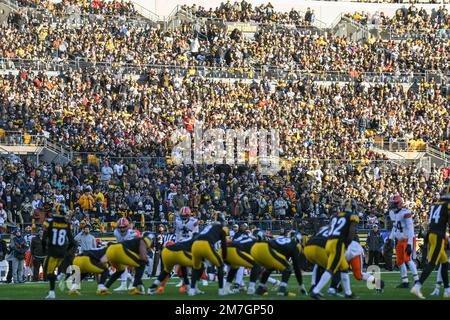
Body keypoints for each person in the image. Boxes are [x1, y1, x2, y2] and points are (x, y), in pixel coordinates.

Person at [310, 199, 359, 300]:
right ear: (353, 207)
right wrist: (346, 244)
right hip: (338, 243)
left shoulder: (336, 216)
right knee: (331, 269)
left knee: (344, 267)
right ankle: (315, 291)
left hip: (329, 242)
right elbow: (351, 233)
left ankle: (348, 293)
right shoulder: (353, 217)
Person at [411, 185, 450, 299]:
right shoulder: (447, 205)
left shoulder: (436, 204)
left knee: (444, 262)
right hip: (438, 235)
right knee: (432, 263)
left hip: (432, 234)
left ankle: (447, 290)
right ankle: (417, 286)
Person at [252, 230, 306, 297]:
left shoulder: (283, 239)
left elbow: (281, 258)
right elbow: (296, 267)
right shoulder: (296, 245)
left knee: (270, 267)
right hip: (266, 248)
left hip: (255, 248)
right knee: (288, 268)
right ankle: (282, 290)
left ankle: (259, 290)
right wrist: (301, 284)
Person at [188, 213, 228, 296]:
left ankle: (192, 290)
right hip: (206, 244)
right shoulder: (221, 229)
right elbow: (224, 245)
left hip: (195, 244)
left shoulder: (208, 226)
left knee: (197, 267)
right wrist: (224, 257)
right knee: (220, 265)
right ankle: (221, 290)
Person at [41, 210, 75, 299]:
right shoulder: (66, 224)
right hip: (62, 252)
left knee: (49, 273)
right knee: (57, 269)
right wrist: (66, 250)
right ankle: (62, 275)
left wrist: (44, 249)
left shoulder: (49, 222)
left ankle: (52, 292)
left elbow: (44, 239)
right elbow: (72, 242)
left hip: (52, 252)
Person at [388, 195, 419, 289]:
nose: (392, 205)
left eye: (394, 203)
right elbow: (395, 227)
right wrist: (390, 238)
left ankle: (417, 280)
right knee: (399, 261)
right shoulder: (392, 213)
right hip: (400, 240)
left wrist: (409, 244)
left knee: (408, 260)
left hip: (408, 238)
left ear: (399, 204)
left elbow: (410, 229)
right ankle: (405, 282)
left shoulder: (406, 212)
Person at [222, 229, 262, 295]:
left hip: (225, 251)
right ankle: (251, 288)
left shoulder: (240, 238)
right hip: (235, 251)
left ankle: (227, 288)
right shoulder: (254, 242)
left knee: (235, 267)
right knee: (256, 266)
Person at [112, 217, 137, 291]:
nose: (122, 229)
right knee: (121, 267)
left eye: (124, 227)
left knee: (124, 266)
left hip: (132, 250)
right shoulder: (116, 232)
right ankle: (131, 280)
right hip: (122, 249)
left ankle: (125, 284)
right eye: (120, 227)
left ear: (127, 226)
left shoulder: (132, 233)